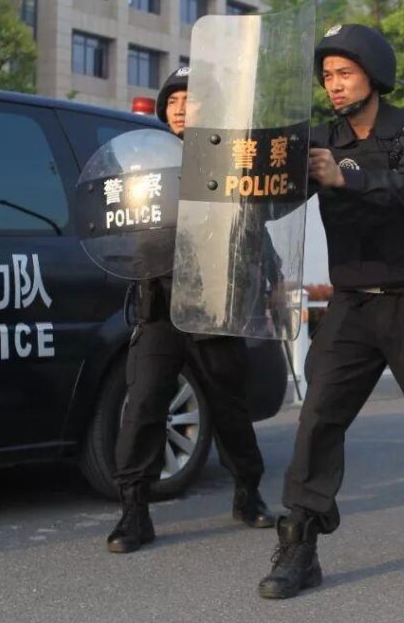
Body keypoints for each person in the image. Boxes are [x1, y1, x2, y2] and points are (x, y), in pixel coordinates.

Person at [258, 24, 404, 600]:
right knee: (318, 420)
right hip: (351, 307)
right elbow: (271, 191)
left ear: (374, 75)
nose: (334, 86)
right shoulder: (319, 137)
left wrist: (343, 174)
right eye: (328, 77)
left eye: (345, 74)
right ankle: (300, 544)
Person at [106, 66, 278, 554]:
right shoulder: (143, 161)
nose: (181, 107)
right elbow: (117, 221)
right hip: (158, 307)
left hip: (212, 303)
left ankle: (248, 492)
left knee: (229, 407)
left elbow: (262, 218)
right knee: (142, 408)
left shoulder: (230, 159)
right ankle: (134, 513)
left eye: (192, 99)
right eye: (174, 99)